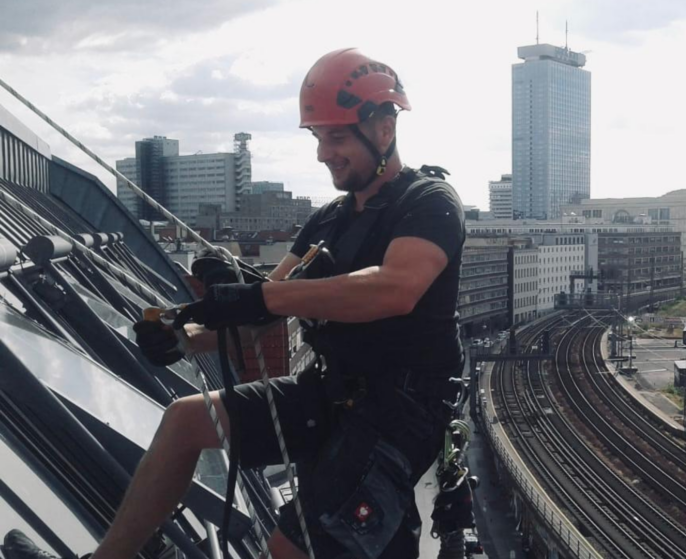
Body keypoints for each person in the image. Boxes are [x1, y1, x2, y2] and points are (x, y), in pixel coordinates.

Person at [2, 48, 465, 559]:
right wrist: (185, 336)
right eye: (318, 137)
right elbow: (261, 312)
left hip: (397, 411)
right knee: (185, 421)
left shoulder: (427, 202)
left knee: (290, 548)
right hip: (333, 391)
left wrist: (257, 294)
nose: (322, 153)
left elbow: (394, 288)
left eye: (336, 136)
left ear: (383, 127)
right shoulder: (331, 218)